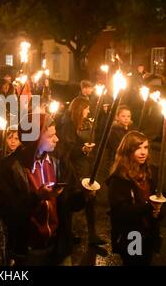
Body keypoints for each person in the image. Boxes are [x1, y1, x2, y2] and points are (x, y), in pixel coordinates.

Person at [0, 113, 81, 265]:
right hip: (29, 250)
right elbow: (10, 213)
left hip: (58, 246)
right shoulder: (10, 168)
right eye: (51, 136)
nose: (57, 139)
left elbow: (69, 202)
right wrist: (38, 197)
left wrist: (84, 196)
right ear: (35, 139)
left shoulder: (58, 161)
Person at [107, 131, 163, 265]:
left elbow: (162, 196)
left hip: (149, 231)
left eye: (146, 147)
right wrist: (149, 207)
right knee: (134, 263)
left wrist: (160, 210)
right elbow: (121, 210)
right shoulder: (120, 178)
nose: (143, 152)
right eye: (138, 148)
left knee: (146, 261)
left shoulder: (151, 172)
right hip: (133, 234)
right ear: (128, 151)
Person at [56, 97, 105, 246]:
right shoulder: (67, 124)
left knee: (89, 198)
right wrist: (82, 149)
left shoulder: (81, 122)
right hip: (73, 169)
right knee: (74, 200)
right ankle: (68, 234)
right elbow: (67, 149)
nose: (88, 111)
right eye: (86, 108)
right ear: (79, 109)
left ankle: (89, 234)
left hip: (83, 166)